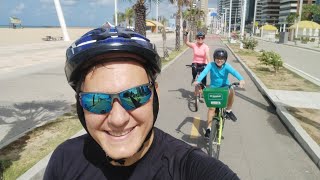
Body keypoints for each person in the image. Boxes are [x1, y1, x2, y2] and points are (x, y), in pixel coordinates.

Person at [44, 27, 239, 179]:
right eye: (96, 101)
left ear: (155, 94)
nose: (118, 119)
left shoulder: (187, 167)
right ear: (80, 106)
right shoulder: (63, 160)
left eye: (135, 95)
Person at [193, 48, 245, 139]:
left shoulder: (227, 66)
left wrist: (241, 79)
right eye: (217, 58)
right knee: (212, 109)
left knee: (232, 89)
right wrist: (198, 80)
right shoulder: (211, 65)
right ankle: (209, 129)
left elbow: (234, 72)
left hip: (225, 87)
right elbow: (204, 72)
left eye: (222, 58)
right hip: (214, 88)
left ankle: (228, 110)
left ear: (225, 59)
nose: (219, 60)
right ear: (214, 58)